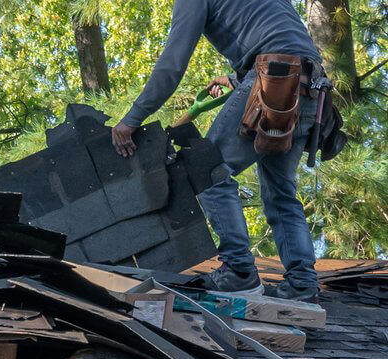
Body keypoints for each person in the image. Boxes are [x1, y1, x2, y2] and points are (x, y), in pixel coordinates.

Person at [111, 0, 323, 302]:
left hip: (273, 80)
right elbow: (285, 40)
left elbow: (172, 64)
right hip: (312, 90)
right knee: (281, 192)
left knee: (207, 170)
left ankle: (238, 271)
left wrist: (132, 119)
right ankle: (303, 283)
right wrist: (238, 79)